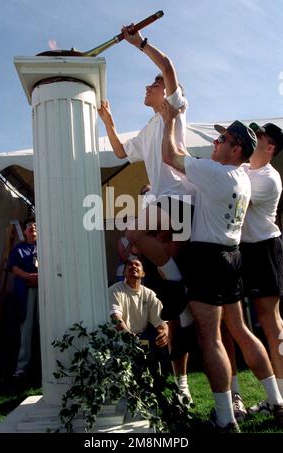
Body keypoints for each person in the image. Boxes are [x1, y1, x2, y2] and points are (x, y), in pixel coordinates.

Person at [160, 100, 283, 431]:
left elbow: (169, 156)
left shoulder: (217, 173)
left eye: (222, 140)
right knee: (242, 331)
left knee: (211, 337)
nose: (215, 143)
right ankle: (277, 400)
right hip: (232, 257)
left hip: (208, 258)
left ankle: (227, 419)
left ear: (236, 150)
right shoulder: (242, 177)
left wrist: (169, 118)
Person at [98, 25, 196, 319]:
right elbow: (120, 152)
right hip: (166, 199)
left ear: (167, 93)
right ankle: (180, 294)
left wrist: (138, 42)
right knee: (138, 237)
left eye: (153, 86)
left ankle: (178, 284)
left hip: (179, 195)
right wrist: (108, 122)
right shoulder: (148, 129)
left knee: (135, 232)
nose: (146, 88)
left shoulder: (175, 109)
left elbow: (166, 65)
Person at [238, 122, 283, 415]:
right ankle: (276, 399)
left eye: (261, 136)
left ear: (270, 148)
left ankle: (282, 396)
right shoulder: (245, 170)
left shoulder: (269, 179)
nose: (254, 138)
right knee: (260, 322)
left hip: (266, 250)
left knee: (272, 323)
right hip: (246, 251)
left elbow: (234, 201)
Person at [109, 258, 169, 374]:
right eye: (129, 265)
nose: (133, 266)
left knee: (161, 341)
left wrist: (164, 332)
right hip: (119, 340)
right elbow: (115, 319)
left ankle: (159, 381)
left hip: (141, 340)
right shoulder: (114, 290)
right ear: (124, 273)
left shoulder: (149, 294)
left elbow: (161, 321)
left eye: (137, 265)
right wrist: (130, 338)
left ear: (143, 273)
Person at [8, 217, 39, 379]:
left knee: (46, 326)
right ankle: (22, 366)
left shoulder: (46, 247)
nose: (32, 227)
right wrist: (28, 276)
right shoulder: (19, 249)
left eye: (35, 225)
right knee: (26, 328)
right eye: (29, 225)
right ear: (25, 231)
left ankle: (47, 364)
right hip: (26, 290)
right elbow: (13, 267)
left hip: (45, 291)